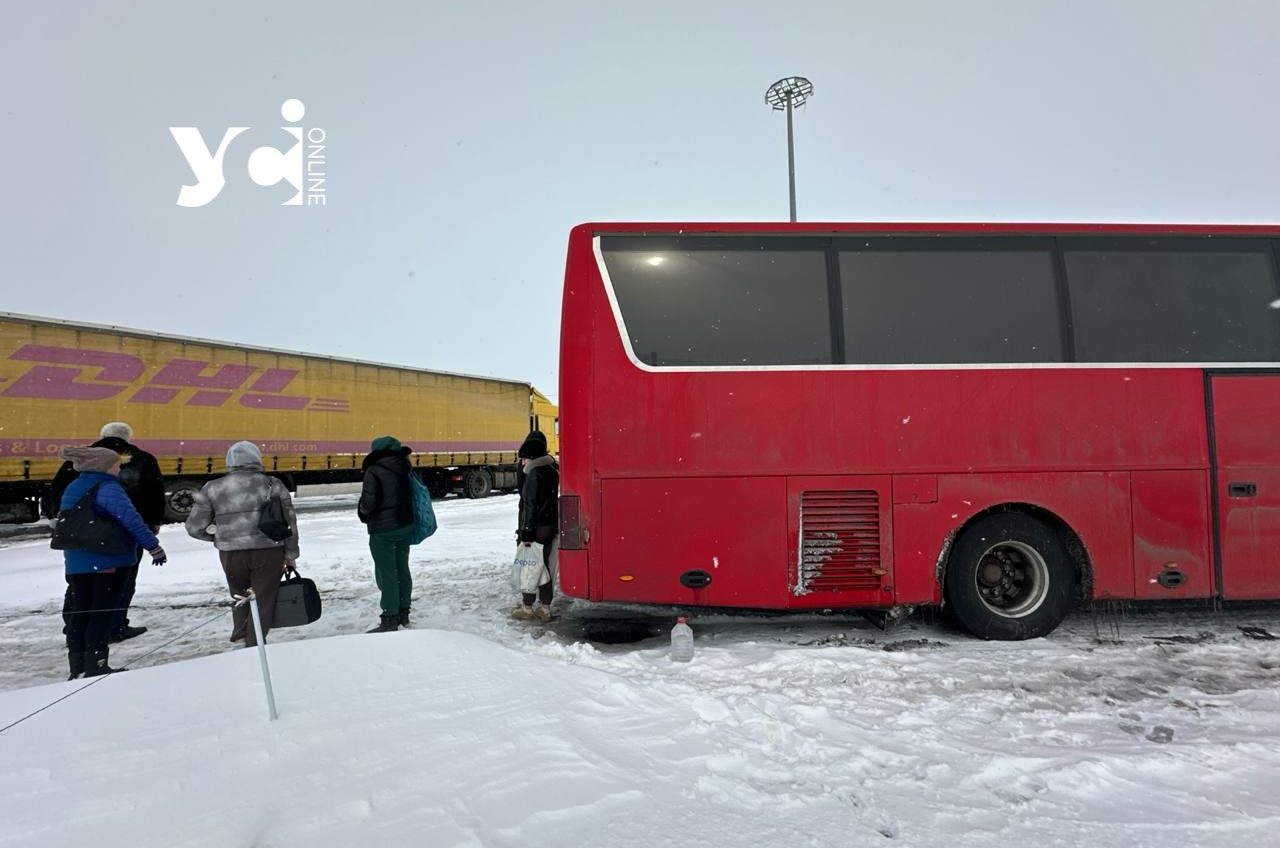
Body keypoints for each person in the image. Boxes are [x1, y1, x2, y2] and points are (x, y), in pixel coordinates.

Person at [56, 446, 167, 679]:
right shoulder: (108, 488)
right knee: (102, 613)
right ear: (104, 467)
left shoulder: (74, 486)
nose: (119, 469)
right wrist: (153, 546)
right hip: (107, 559)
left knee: (81, 612)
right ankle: (97, 664)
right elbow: (132, 520)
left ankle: (77, 665)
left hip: (77, 561)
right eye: (116, 465)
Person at [185, 441, 299, 647]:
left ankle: (240, 634)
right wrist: (290, 554)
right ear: (257, 458)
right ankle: (254, 645)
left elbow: (194, 527)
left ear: (229, 461)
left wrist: (219, 536)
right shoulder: (273, 484)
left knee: (238, 595)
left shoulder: (212, 487)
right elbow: (289, 521)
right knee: (263, 599)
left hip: (231, 555)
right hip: (269, 551)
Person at [357, 435, 415, 632]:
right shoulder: (405, 467)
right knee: (402, 569)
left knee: (387, 573)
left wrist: (362, 513)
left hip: (383, 529)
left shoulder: (374, 470)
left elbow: (368, 503)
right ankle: (403, 612)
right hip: (405, 525)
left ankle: (389, 618)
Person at [511, 431, 559, 621]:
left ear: (530, 457)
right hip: (548, 525)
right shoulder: (551, 470)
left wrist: (527, 533)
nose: (522, 462)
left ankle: (527, 607)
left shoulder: (533, 474)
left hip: (536, 526)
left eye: (523, 459)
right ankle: (545, 608)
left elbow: (529, 505)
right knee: (544, 566)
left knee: (530, 566)